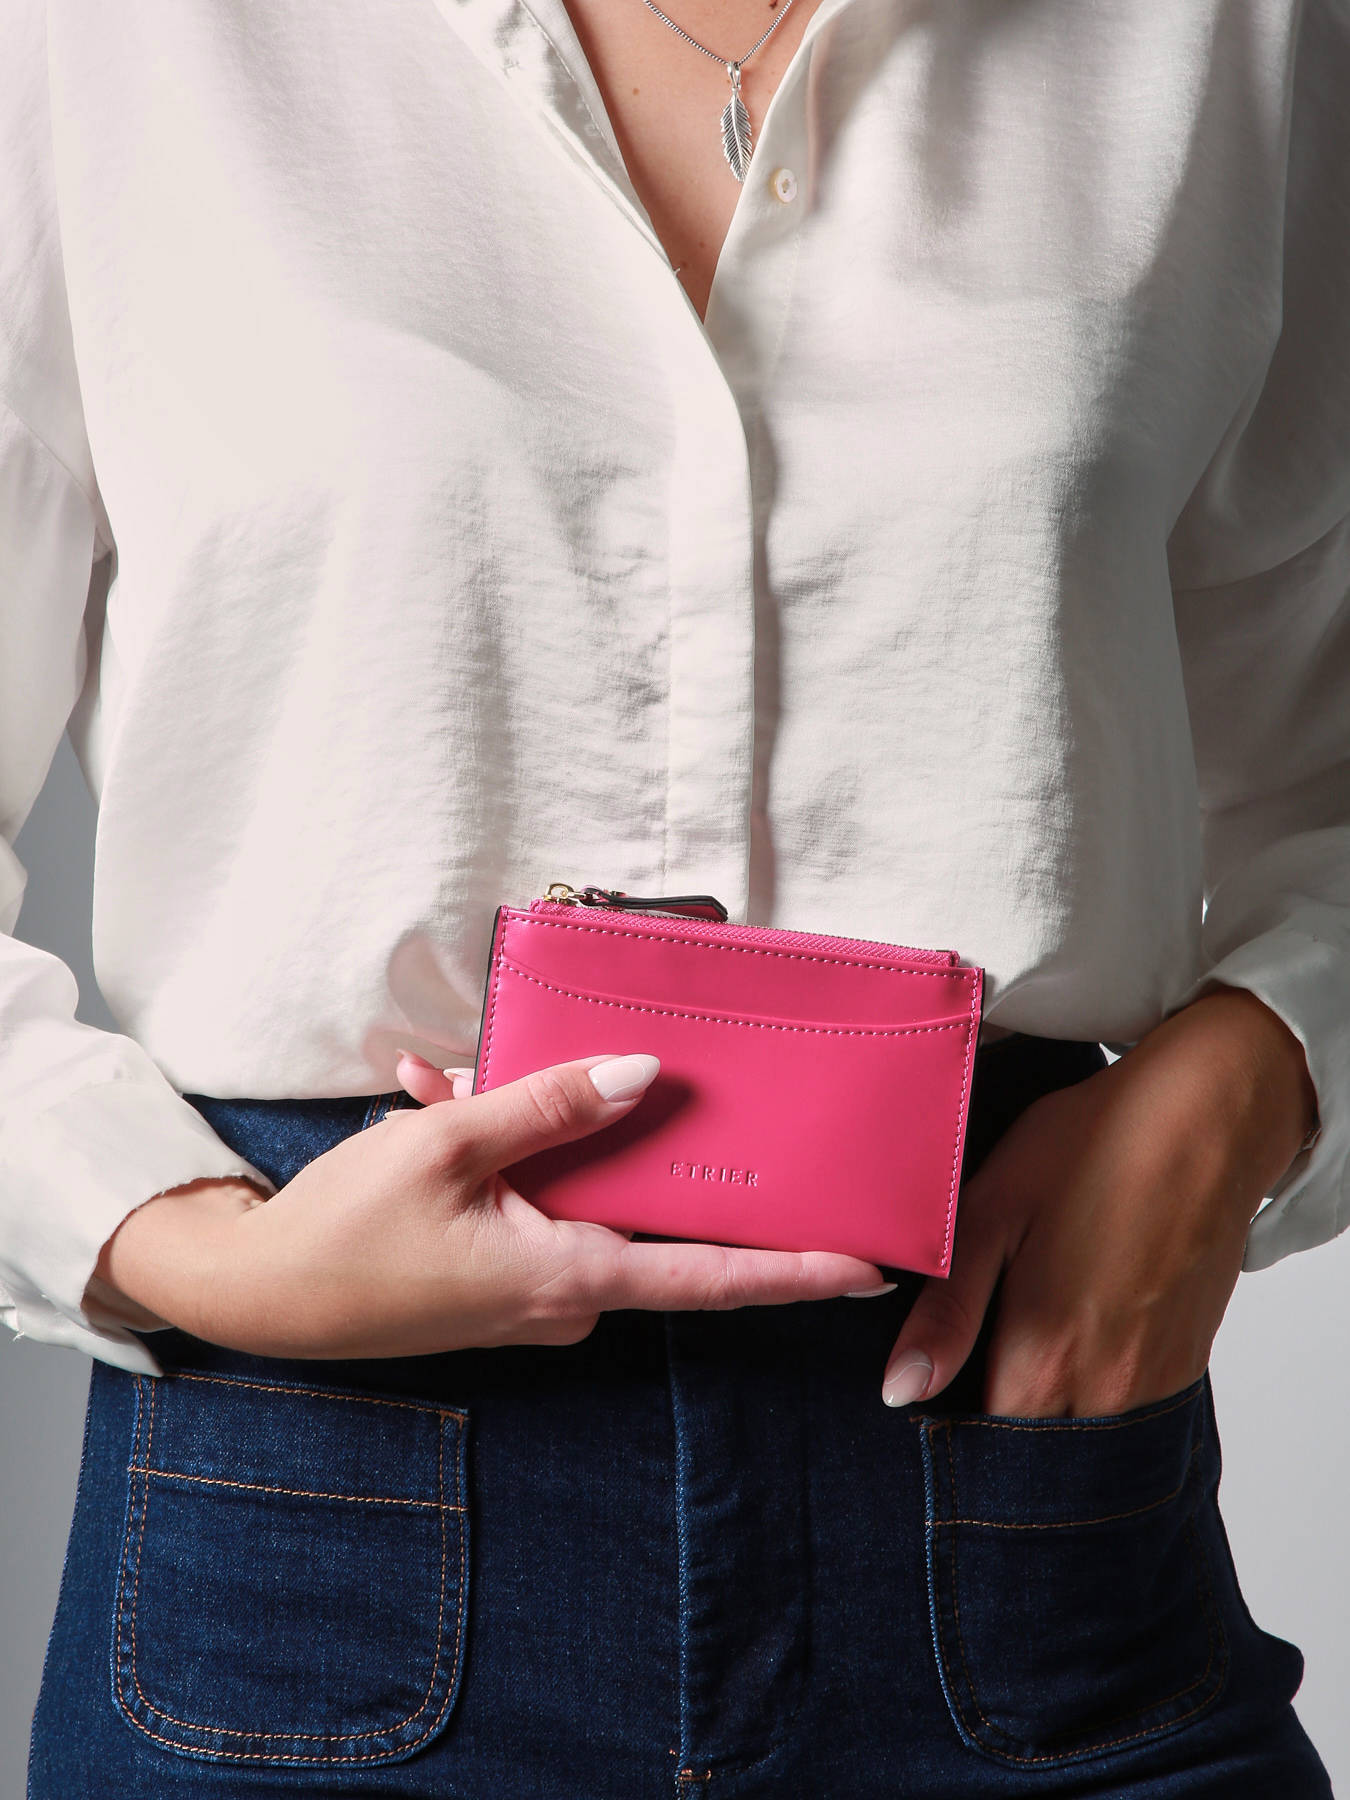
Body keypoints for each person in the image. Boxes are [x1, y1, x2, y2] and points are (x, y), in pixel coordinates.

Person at [4, 0, 1346, 1793]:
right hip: (321, 1484)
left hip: (1012, 1444)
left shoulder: (1229, 34)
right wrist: (194, 1254)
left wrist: (1248, 1079)